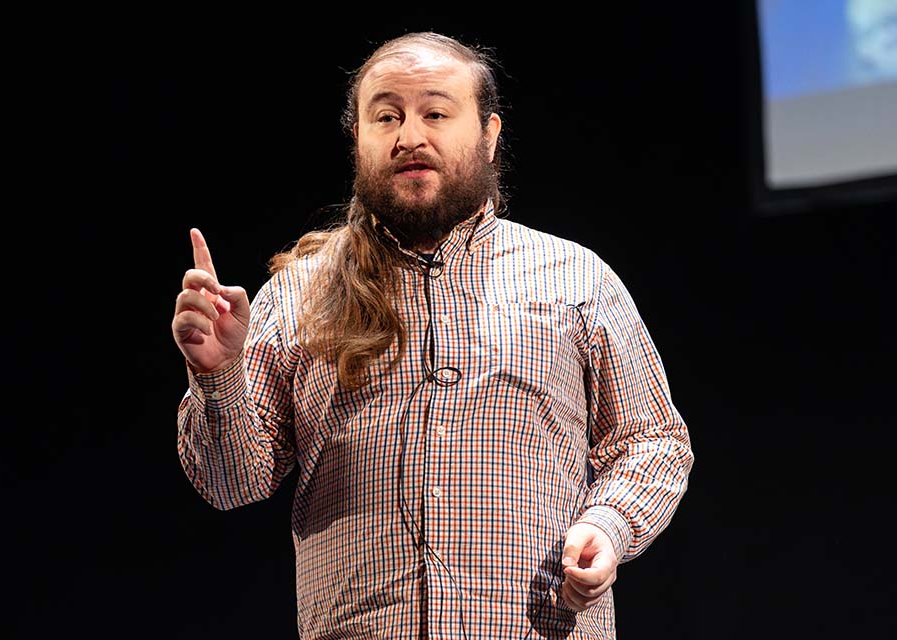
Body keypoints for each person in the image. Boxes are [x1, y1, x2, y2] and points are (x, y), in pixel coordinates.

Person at [172, 31, 694, 640]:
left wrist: (608, 525)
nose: (409, 137)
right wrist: (218, 375)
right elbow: (232, 482)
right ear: (359, 140)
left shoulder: (577, 278)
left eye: (436, 113)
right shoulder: (298, 296)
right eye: (386, 116)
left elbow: (654, 440)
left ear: (490, 136)